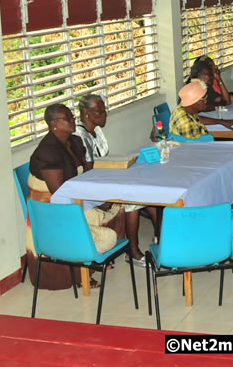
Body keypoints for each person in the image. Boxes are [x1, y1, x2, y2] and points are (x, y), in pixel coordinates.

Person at [26, 104, 124, 290]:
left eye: (72, 116)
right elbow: (61, 192)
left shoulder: (74, 141)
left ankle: (86, 264)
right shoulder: (48, 151)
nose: (73, 120)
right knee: (109, 237)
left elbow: (85, 175)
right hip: (53, 208)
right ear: (54, 124)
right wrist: (94, 201)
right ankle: (81, 266)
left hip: (73, 198)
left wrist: (99, 199)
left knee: (115, 208)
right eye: (67, 118)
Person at [74, 94, 158, 266]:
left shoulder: (96, 130)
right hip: (90, 185)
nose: (104, 114)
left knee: (147, 191)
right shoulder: (80, 135)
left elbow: (102, 160)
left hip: (103, 178)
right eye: (100, 111)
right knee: (133, 201)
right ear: (86, 113)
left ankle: (161, 239)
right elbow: (88, 173)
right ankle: (132, 251)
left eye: (104, 110)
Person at [169, 79, 233, 139]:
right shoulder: (185, 123)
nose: (206, 101)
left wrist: (221, 121)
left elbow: (197, 119)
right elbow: (193, 148)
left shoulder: (183, 109)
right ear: (195, 102)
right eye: (204, 99)